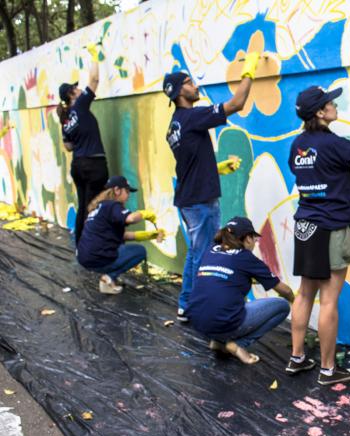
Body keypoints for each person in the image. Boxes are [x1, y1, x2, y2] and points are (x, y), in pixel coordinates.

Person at [286, 86, 350, 386]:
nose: (334, 105)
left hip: (305, 226)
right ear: (320, 113)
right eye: (330, 102)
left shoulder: (297, 145)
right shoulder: (334, 145)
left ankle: (297, 358)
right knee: (329, 300)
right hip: (331, 227)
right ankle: (329, 370)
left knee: (306, 293)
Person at [163, 51, 263, 323]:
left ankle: (186, 304)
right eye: (189, 82)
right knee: (203, 255)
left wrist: (217, 168)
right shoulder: (191, 117)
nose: (195, 85)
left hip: (189, 198)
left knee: (196, 253)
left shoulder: (175, 125)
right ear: (179, 92)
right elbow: (236, 104)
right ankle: (195, 306)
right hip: (199, 201)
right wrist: (249, 70)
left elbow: (189, 162)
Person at [187, 217, 295, 364]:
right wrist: (296, 301)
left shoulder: (211, 249)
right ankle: (239, 345)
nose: (256, 242)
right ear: (248, 239)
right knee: (282, 306)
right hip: (222, 322)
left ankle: (218, 341)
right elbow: (285, 290)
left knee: (226, 300)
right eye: (254, 238)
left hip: (196, 321)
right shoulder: (245, 258)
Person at [57, 43, 110, 244]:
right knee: (93, 206)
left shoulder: (65, 120)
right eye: (76, 88)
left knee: (83, 206)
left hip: (78, 166)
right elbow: (95, 79)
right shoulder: (79, 105)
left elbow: (68, 147)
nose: (80, 90)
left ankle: (81, 244)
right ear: (72, 93)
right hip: (93, 165)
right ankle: (92, 247)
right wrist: (95, 56)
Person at [76, 176, 161, 294]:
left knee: (120, 246)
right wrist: (145, 214)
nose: (128, 195)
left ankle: (108, 279)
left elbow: (119, 236)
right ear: (117, 190)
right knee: (140, 251)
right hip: (97, 257)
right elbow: (130, 218)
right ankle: (109, 277)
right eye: (126, 191)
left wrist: (147, 235)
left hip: (83, 257)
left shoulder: (100, 207)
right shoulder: (112, 205)